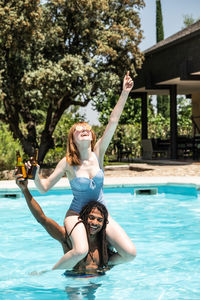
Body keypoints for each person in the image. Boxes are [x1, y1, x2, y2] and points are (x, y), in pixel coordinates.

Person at [33, 71, 136, 270]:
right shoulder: (68, 162)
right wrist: (35, 176)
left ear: (91, 136)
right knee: (80, 250)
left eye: (87, 128)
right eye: (79, 129)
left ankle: (102, 264)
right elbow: (44, 187)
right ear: (73, 139)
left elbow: (113, 121)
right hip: (76, 215)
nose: (84, 130)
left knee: (130, 253)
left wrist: (124, 93)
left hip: (101, 214)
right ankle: (50, 272)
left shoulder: (99, 153)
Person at [16, 174, 116, 274]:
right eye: (91, 218)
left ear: (104, 223)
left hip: (97, 283)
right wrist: (25, 190)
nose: (95, 223)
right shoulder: (67, 236)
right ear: (83, 218)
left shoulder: (105, 242)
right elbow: (42, 219)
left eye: (99, 220)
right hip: (74, 282)